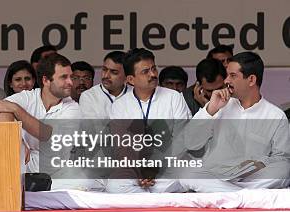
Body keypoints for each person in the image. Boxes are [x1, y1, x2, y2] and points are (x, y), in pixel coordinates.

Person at [178, 52, 290, 192]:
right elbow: (190, 142)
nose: (226, 81)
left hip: (252, 179)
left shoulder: (276, 116)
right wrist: (210, 110)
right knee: (186, 173)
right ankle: (243, 196)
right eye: (227, 75)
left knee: (283, 170)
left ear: (251, 80)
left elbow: (281, 159)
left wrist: (260, 163)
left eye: (233, 76)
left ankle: (229, 194)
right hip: (216, 176)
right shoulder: (218, 105)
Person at [0, 53, 97, 190]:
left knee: (87, 183)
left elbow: (47, 135)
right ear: (46, 80)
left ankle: (29, 188)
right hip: (21, 167)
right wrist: (16, 139)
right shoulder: (29, 97)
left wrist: (16, 110)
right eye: (64, 77)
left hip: (56, 172)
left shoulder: (73, 108)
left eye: (71, 77)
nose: (71, 82)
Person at [106, 48, 191, 193]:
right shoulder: (120, 105)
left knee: (187, 178)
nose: (153, 74)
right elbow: (122, 147)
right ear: (131, 80)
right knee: (115, 184)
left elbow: (181, 141)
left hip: (169, 167)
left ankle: (144, 201)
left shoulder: (173, 97)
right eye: (145, 71)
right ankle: (153, 201)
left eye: (153, 69)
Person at [79, 51, 132, 119]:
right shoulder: (89, 96)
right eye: (104, 69)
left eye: (114, 72)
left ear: (127, 77)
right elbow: (91, 128)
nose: (106, 75)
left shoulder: (135, 94)